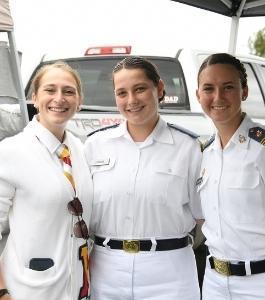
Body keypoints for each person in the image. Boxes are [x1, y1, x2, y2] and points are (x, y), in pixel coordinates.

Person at [85, 56, 202, 299]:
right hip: (106, 270)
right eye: (122, 93)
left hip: (169, 271)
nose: (131, 100)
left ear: (159, 89)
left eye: (140, 89)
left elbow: (204, 217)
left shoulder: (188, 148)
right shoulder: (95, 145)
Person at [0, 62, 92, 299]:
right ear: (34, 98)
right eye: (50, 90)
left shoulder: (82, 152)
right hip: (27, 290)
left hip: (77, 287)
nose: (59, 98)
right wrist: (2, 292)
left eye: (68, 91)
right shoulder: (11, 152)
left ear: (79, 101)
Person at [195, 53, 265, 299]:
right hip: (214, 282)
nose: (218, 97)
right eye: (209, 89)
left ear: (244, 91)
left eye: (228, 88)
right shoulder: (204, 153)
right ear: (198, 95)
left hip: (263, 283)